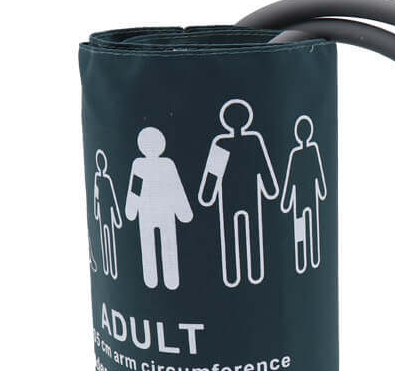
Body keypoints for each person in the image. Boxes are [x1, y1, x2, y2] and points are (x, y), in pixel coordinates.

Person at [198, 99, 279, 287]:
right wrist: (270, 189)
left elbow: (213, 175)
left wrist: (208, 195)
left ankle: (233, 275)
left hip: (230, 197)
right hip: (248, 195)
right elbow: (263, 168)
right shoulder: (251, 140)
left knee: (231, 234)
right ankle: (254, 272)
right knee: (252, 232)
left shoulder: (224, 143)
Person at [125, 127, 193, 290]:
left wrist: (131, 210)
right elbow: (135, 189)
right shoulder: (145, 165)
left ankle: (159, 280)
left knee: (160, 244)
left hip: (155, 213)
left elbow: (174, 187)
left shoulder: (154, 165)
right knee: (156, 244)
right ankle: (162, 280)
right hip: (155, 212)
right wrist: (184, 212)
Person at [280, 115, 327, 273]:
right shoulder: (304, 152)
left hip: (303, 197)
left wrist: (287, 200)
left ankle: (303, 260)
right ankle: (306, 259)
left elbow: (292, 177)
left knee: (304, 226)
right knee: (308, 226)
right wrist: (321, 190)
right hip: (308, 196)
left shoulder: (300, 153)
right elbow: (292, 176)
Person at [94, 149, 121, 278]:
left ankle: (112, 269)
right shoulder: (98, 179)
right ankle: (108, 268)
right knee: (105, 240)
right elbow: (96, 197)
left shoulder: (106, 180)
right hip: (103, 213)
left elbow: (113, 199)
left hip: (107, 213)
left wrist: (116, 217)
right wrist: (96, 212)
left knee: (109, 238)